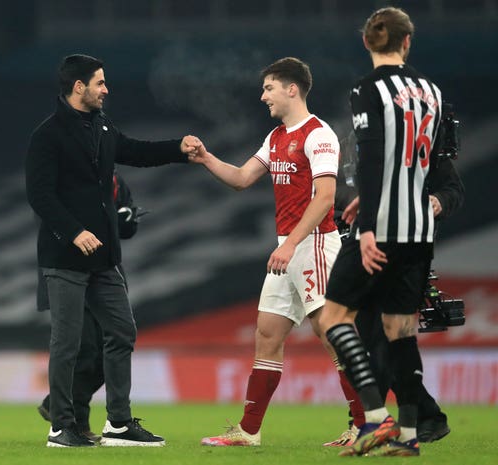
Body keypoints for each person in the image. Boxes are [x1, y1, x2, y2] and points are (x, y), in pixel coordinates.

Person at [25, 54, 201, 448]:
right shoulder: (47, 135)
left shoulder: (101, 127)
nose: (106, 90)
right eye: (100, 83)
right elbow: (40, 195)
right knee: (67, 342)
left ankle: (118, 423)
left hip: (105, 259)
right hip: (65, 258)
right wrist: (74, 232)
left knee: (122, 331)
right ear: (78, 87)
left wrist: (179, 148)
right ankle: (61, 426)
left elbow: (135, 151)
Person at [192, 57, 342, 446]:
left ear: (292, 89)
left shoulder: (319, 134)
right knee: (267, 333)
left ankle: (365, 424)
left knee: (333, 334)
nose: (263, 97)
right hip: (287, 247)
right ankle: (248, 431)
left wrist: (292, 244)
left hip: (314, 245)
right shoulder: (276, 138)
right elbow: (242, 178)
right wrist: (207, 158)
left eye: (269, 88)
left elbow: (326, 197)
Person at [318, 7, 446, 457]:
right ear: (406, 42)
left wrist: (368, 226)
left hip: (383, 228)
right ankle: (409, 438)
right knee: (400, 330)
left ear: (367, 42)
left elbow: (371, 159)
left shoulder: (367, 89)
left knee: (333, 317)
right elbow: (423, 161)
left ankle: (376, 419)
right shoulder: (432, 91)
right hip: (419, 227)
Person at [324, 142, 464, 447]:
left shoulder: (422, 145)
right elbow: (333, 189)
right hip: (362, 249)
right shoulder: (351, 144)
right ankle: (424, 417)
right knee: (378, 339)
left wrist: (440, 201)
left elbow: (453, 189)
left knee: (379, 339)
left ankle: (372, 422)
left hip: (405, 247)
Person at [36, 171, 141, 443]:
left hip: (106, 271)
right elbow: (48, 215)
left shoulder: (115, 182)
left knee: (108, 347)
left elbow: (128, 227)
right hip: (69, 269)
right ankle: (74, 423)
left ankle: (62, 409)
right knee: (85, 349)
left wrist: (124, 220)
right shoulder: (66, 179)